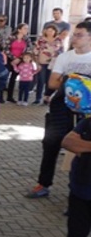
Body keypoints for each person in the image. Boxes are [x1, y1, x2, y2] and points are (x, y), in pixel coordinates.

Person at [27, 21, 91, 198]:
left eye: (79, 35)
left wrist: (70, 79)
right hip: (61, 107)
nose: (74, 38)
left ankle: (78, 193)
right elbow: (53, 82)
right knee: (50, 144)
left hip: (87, 112)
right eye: (74, 35)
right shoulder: (64, 57)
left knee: (83, 150)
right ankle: (43, 184)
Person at [54, 117, 91, 237]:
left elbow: (77, 145)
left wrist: (84, 146)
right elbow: (68, 142)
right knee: (76, 230)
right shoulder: (88, 122)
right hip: (82, 187)